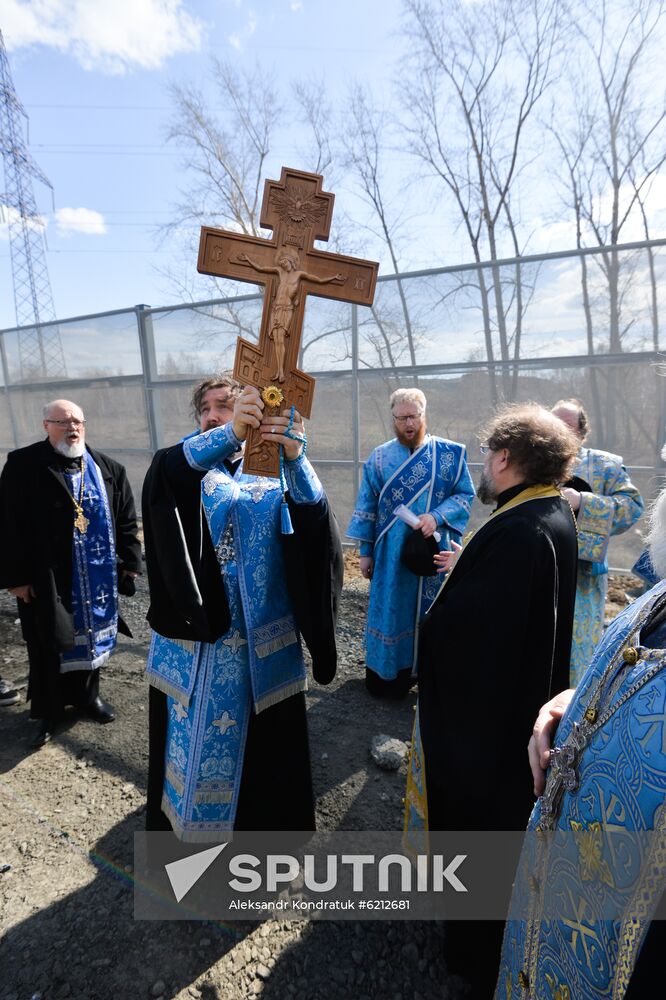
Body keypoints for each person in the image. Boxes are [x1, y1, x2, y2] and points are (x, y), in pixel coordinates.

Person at [404, 403, 579, 997]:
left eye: (487, 454)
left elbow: (480, 637)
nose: (483, 463)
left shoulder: (520, 527)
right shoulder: (543, 510)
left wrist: (435, 631)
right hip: (514, 716)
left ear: (505, 457)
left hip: (487, 732)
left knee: (480, 831)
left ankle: (475, 958)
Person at [143, 374, 342, 839]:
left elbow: (315, 529)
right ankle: (186, 835)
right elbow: (165, 475)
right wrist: (229, 434)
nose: (214, 413)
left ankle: (259, 839)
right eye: (207, 408)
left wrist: (296, 458)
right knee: (187, 747)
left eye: (226, 405)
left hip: (260, 644)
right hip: (196, 645)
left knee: (263, 757)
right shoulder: (186, 465)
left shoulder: (272, 468)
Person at [496, 485, 666, 999]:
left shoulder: (611, 475)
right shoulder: (654, 600)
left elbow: (620, 512)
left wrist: (583, 506)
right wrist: (573, 701)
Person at [0, 399, 141, 748]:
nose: (72, 428)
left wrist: (131, 562)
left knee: (92, 637)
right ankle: (49, 710)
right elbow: (7, 524)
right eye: (62, 422)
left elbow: (126, 519)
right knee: (48, 640)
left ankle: (86, 698)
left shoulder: (109, 468)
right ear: (46, 426)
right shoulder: (22, 465)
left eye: (77, 421)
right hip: (46, 577)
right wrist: (15, 577)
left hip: (94, 577)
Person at [347, 387, 475, 698]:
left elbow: (464, 495)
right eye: (402, 417)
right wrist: (365, 553)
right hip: (390, 552)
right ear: (392, 418)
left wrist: (437, 515)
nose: (408, 423)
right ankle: (389, 678)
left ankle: (430, 678)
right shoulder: (378, 458)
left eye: (414, 416)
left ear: (423, 416)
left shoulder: (449, 454)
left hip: (433, 548)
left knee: (431, 612)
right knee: (391, 610)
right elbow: (367, 506)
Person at [551, 398, 644, 686]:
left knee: (577, 650)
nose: (559, 432)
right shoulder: (535, 464)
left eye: (566, 426)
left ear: (581, 431)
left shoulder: (605, 465)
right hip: (542, 567)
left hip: (584, 579)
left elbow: (632, 507)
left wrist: (584, 502)